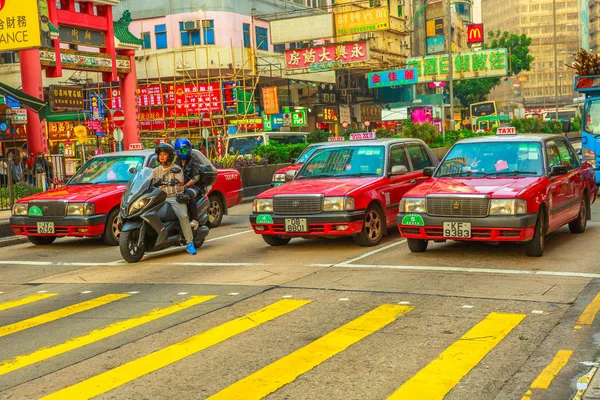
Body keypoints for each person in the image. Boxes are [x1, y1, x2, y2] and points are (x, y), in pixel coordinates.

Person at [151, 143, 197, 256]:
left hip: (174, 197)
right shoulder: (156, 170)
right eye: (160, 154)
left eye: (164, 154)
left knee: (183, 216)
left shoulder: (176, 169)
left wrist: (175, 182)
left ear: (170, 156)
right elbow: (150, 181)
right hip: (160, 197)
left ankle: (190, 242)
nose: (161, 157)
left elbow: (181, 181)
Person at [174, 138, 204, 229]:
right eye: (181, 150)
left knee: (188, 194)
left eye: (185, 149)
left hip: (195, 187)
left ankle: (195, 219)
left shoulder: (193, 160)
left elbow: (196, 177)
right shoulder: (176, 162)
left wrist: (186, 186)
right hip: (180, 187)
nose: (183, 152)